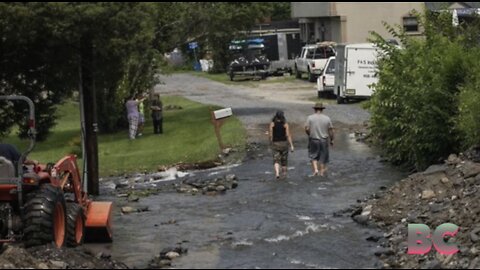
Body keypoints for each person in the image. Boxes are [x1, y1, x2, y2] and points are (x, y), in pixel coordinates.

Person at [305, 102, 334, 177]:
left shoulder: (310, 118)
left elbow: (307, 128)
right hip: (324, 140)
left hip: (313, 139)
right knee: (323, 157)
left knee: (313, 156)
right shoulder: (327, 118)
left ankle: (315, 170)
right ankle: (321, 172)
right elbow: (330, 130)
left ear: (315, 109)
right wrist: (332, 139)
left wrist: (310, 134)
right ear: (322, 109)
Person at [269, 111, 294, 179]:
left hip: (275, 143)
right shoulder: (285, 124)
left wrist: (271, 143)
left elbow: (271, 135)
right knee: (284, 161)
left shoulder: (272, 124)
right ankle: (284, 174)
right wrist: (291, 145)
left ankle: (277, 173)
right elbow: (288, 135)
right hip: (284, 144)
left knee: (276, 160)